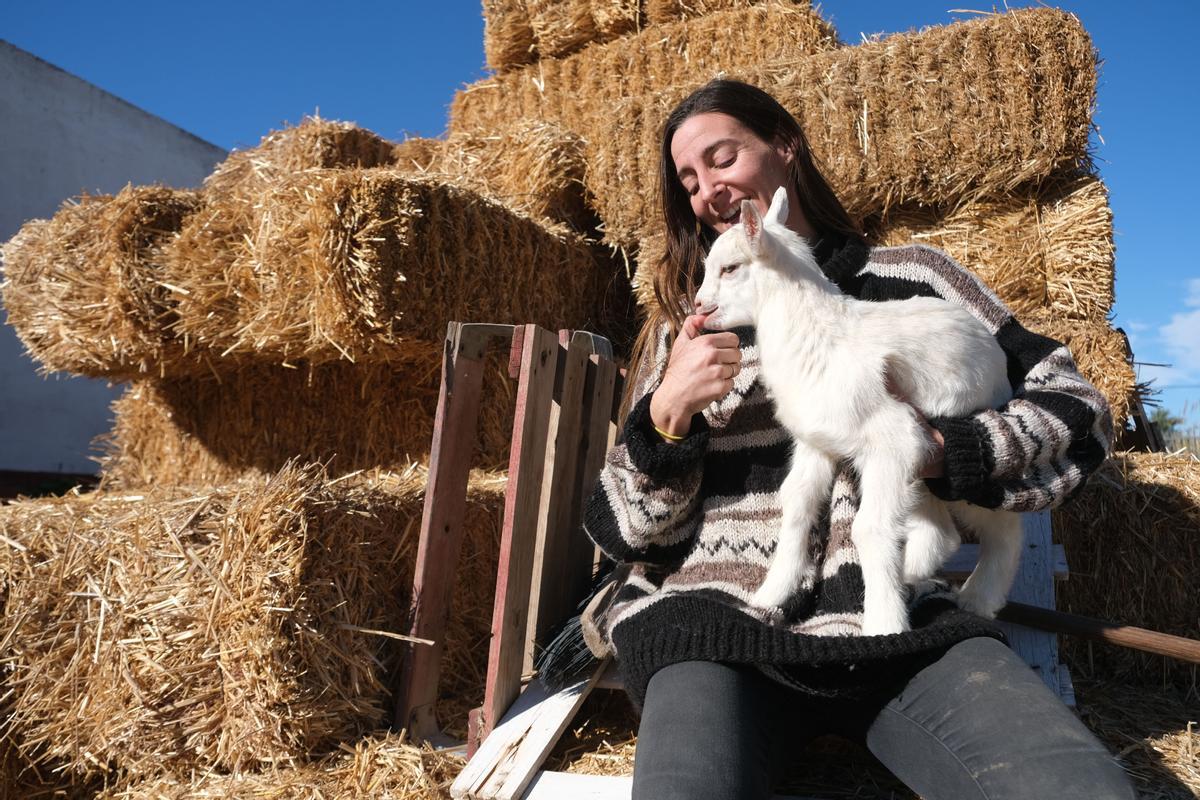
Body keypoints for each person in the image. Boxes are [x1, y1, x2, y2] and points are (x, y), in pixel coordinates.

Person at [580, 79, 1135, 800]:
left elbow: (1080, 410)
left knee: (1078, 792)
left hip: (894, 622)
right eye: (688, 180)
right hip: (717, 628)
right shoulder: (690, 328)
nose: (707, 190)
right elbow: (621, 531)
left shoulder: (915, 280)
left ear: (785, 147)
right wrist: (668, 417)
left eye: (722, 160)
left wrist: (948, 453)